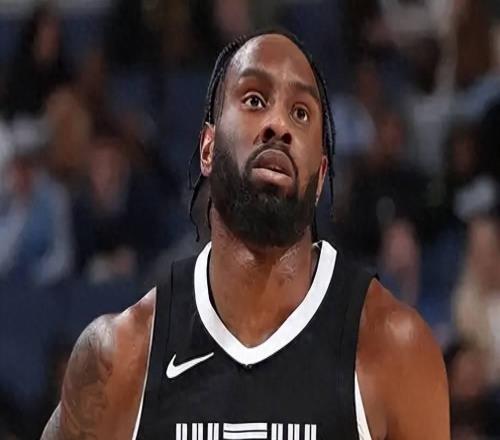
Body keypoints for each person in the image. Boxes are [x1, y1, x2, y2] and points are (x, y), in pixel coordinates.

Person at [41, 30, 449, 439]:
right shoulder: (120, 357)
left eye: (301, 113)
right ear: (207, 148)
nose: (279, 124)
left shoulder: (393, 349)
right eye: (255, 100)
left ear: (321, 175)